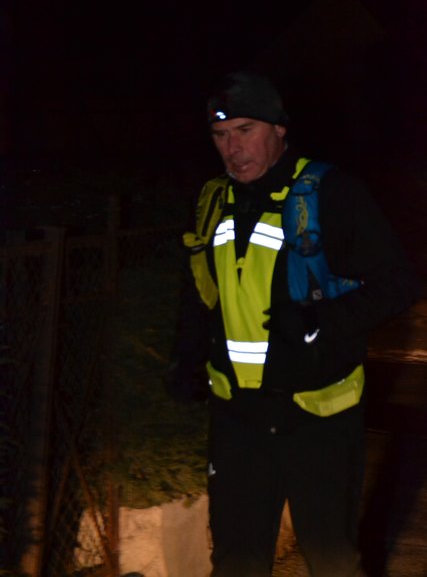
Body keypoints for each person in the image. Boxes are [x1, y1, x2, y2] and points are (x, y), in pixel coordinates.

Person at [165, 70, 420, 576]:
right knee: (236, 562)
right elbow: (199, 292)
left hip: (318, 419)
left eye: (245, 130)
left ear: (279, 128)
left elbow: (398, 284)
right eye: (220, 135)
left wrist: (320, 322)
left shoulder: (332, 192)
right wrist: (185, 358)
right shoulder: (213, 199)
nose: (232, 148)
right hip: (238, 419)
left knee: (331, 560)